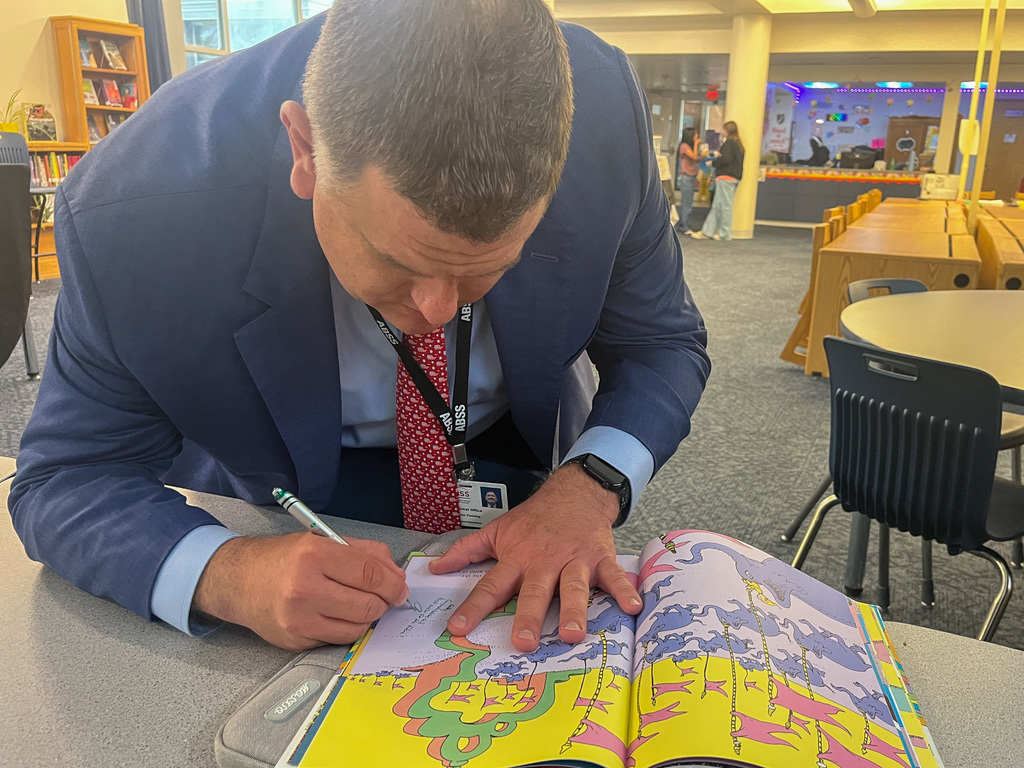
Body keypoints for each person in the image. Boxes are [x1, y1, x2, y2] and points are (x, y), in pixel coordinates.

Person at [9, 0, 710, 654]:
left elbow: (658, 341)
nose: (437, 312)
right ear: (305, 149)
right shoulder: (138, 214)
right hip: (282, 490)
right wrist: (225, 572)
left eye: (487, 268)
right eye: (395, 261)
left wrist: (589, 481)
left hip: (519, 463)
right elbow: (68, 478)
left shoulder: (602, 118)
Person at [691, 121, 744, 241]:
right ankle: (711, 231)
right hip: (734, 178)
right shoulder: (739, 145)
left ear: (726, 131)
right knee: (720, 206)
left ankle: (720, 233)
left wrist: (713, 162)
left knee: (722, 206)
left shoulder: (728, 143)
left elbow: (725, 159)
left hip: (725, 177)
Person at [673, 127, 700, 236]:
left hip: (691, 176)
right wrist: (697, 144)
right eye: (695, 135)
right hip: (686, 177)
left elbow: (695, 159)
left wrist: (702, 157)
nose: (697, 137)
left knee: (686, 202)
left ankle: (680, 224)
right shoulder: (684, 146)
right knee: (687, 203)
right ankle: (685, 226)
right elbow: (693, 156)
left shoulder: (689, 147)